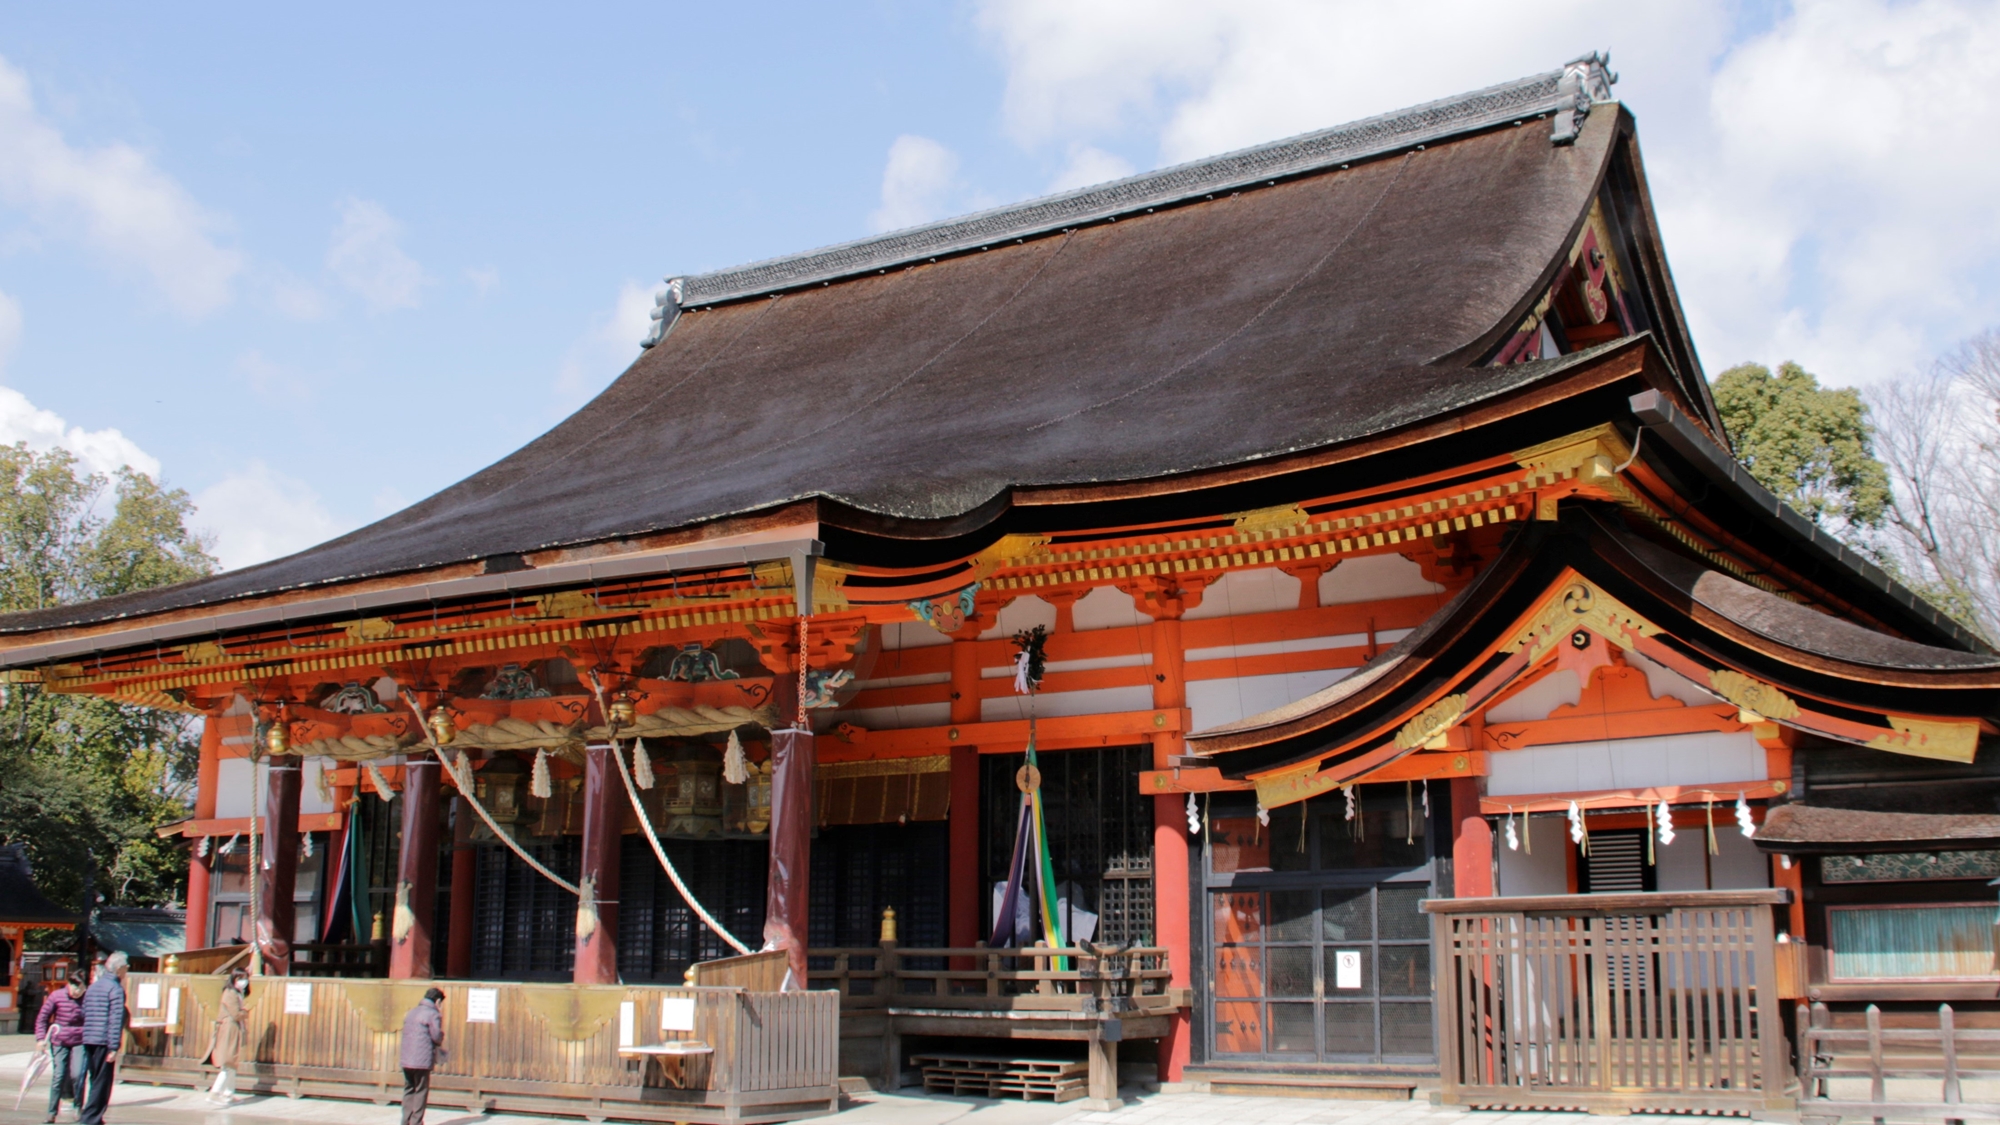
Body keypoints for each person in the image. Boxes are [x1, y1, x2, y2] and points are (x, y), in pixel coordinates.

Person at [76, 951, 127, 1125]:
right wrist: (114, 1047)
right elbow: (115, 1018)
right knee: (102, 1082)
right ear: (119, 969)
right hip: (103, 1040)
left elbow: (84, 1012)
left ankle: (92, 1116)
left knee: (94, 1078)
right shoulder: (116, 989)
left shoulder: (93, 987)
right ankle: (90, 1118)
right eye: (126, 967)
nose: (126, 970)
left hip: (89, 1038)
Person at [34, 970, 86, 1124]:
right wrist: (41, 1039)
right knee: (59, 1075)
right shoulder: (56, 996)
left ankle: (78, 1106)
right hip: (60, 1040)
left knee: (78, 1074)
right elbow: (42, 1018)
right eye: (75, 989)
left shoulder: (87, 998)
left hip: (79, 1040)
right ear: (69, 985)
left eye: (81, 989)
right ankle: (51, 1112)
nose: (78, 992)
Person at [399, 987, 445, 1125]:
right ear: (437, 1001)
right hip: (422, 1060)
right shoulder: (433, 1014)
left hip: (406, 1059)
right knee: (420, 1091)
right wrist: (442, 1035)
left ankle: (405, 1121)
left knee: (409, 1089)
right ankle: (416, 1122)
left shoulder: (411, 1012)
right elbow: (436, 1036)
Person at [206, 970, 249, 1105]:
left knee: (232, 1063)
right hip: (229, 1028)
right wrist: (245, 1013)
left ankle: (228, 1093)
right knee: (228, 1062)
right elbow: (236, 1014)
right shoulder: (230, 993)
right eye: (240, 978)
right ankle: (215, 1092)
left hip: (233, 1028)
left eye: (245, 978)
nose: (244, 981)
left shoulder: (237, 993)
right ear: (233, 979)